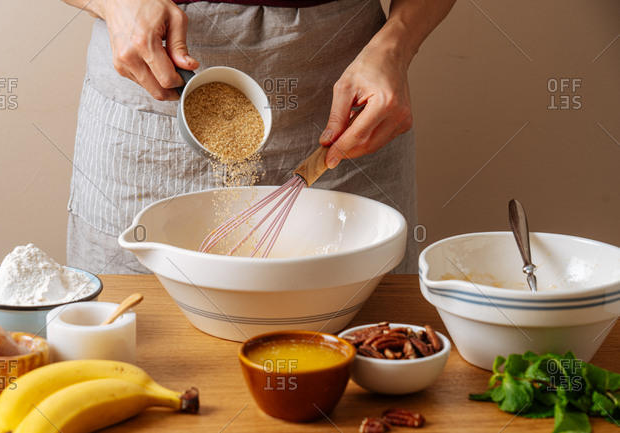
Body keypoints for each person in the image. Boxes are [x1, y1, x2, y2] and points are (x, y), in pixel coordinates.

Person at [62, 0, 455, 274]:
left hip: (346, 87)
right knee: (142, 343)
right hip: (149, 79)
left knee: (357, 341)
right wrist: (116, 3)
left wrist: (396, 46)